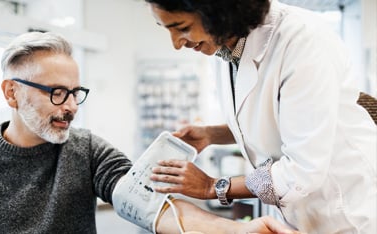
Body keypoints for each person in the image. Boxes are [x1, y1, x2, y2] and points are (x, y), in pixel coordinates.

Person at [0, 31, 300, 234]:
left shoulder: (86, 149)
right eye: (56, 92)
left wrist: (236, 230)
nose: (71, 107)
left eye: (75, 92)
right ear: (11, 93)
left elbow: (151, 205)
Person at [145, 0, 377, 233]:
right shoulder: (226, 48)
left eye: (183, 28)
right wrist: (213, 134)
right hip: (299, 213)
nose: (176, 43)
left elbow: (303, 169)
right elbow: (271, 119)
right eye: (166, 28)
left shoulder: (303, 40)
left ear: (220, 10)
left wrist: (214, 187)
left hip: (350, 213)